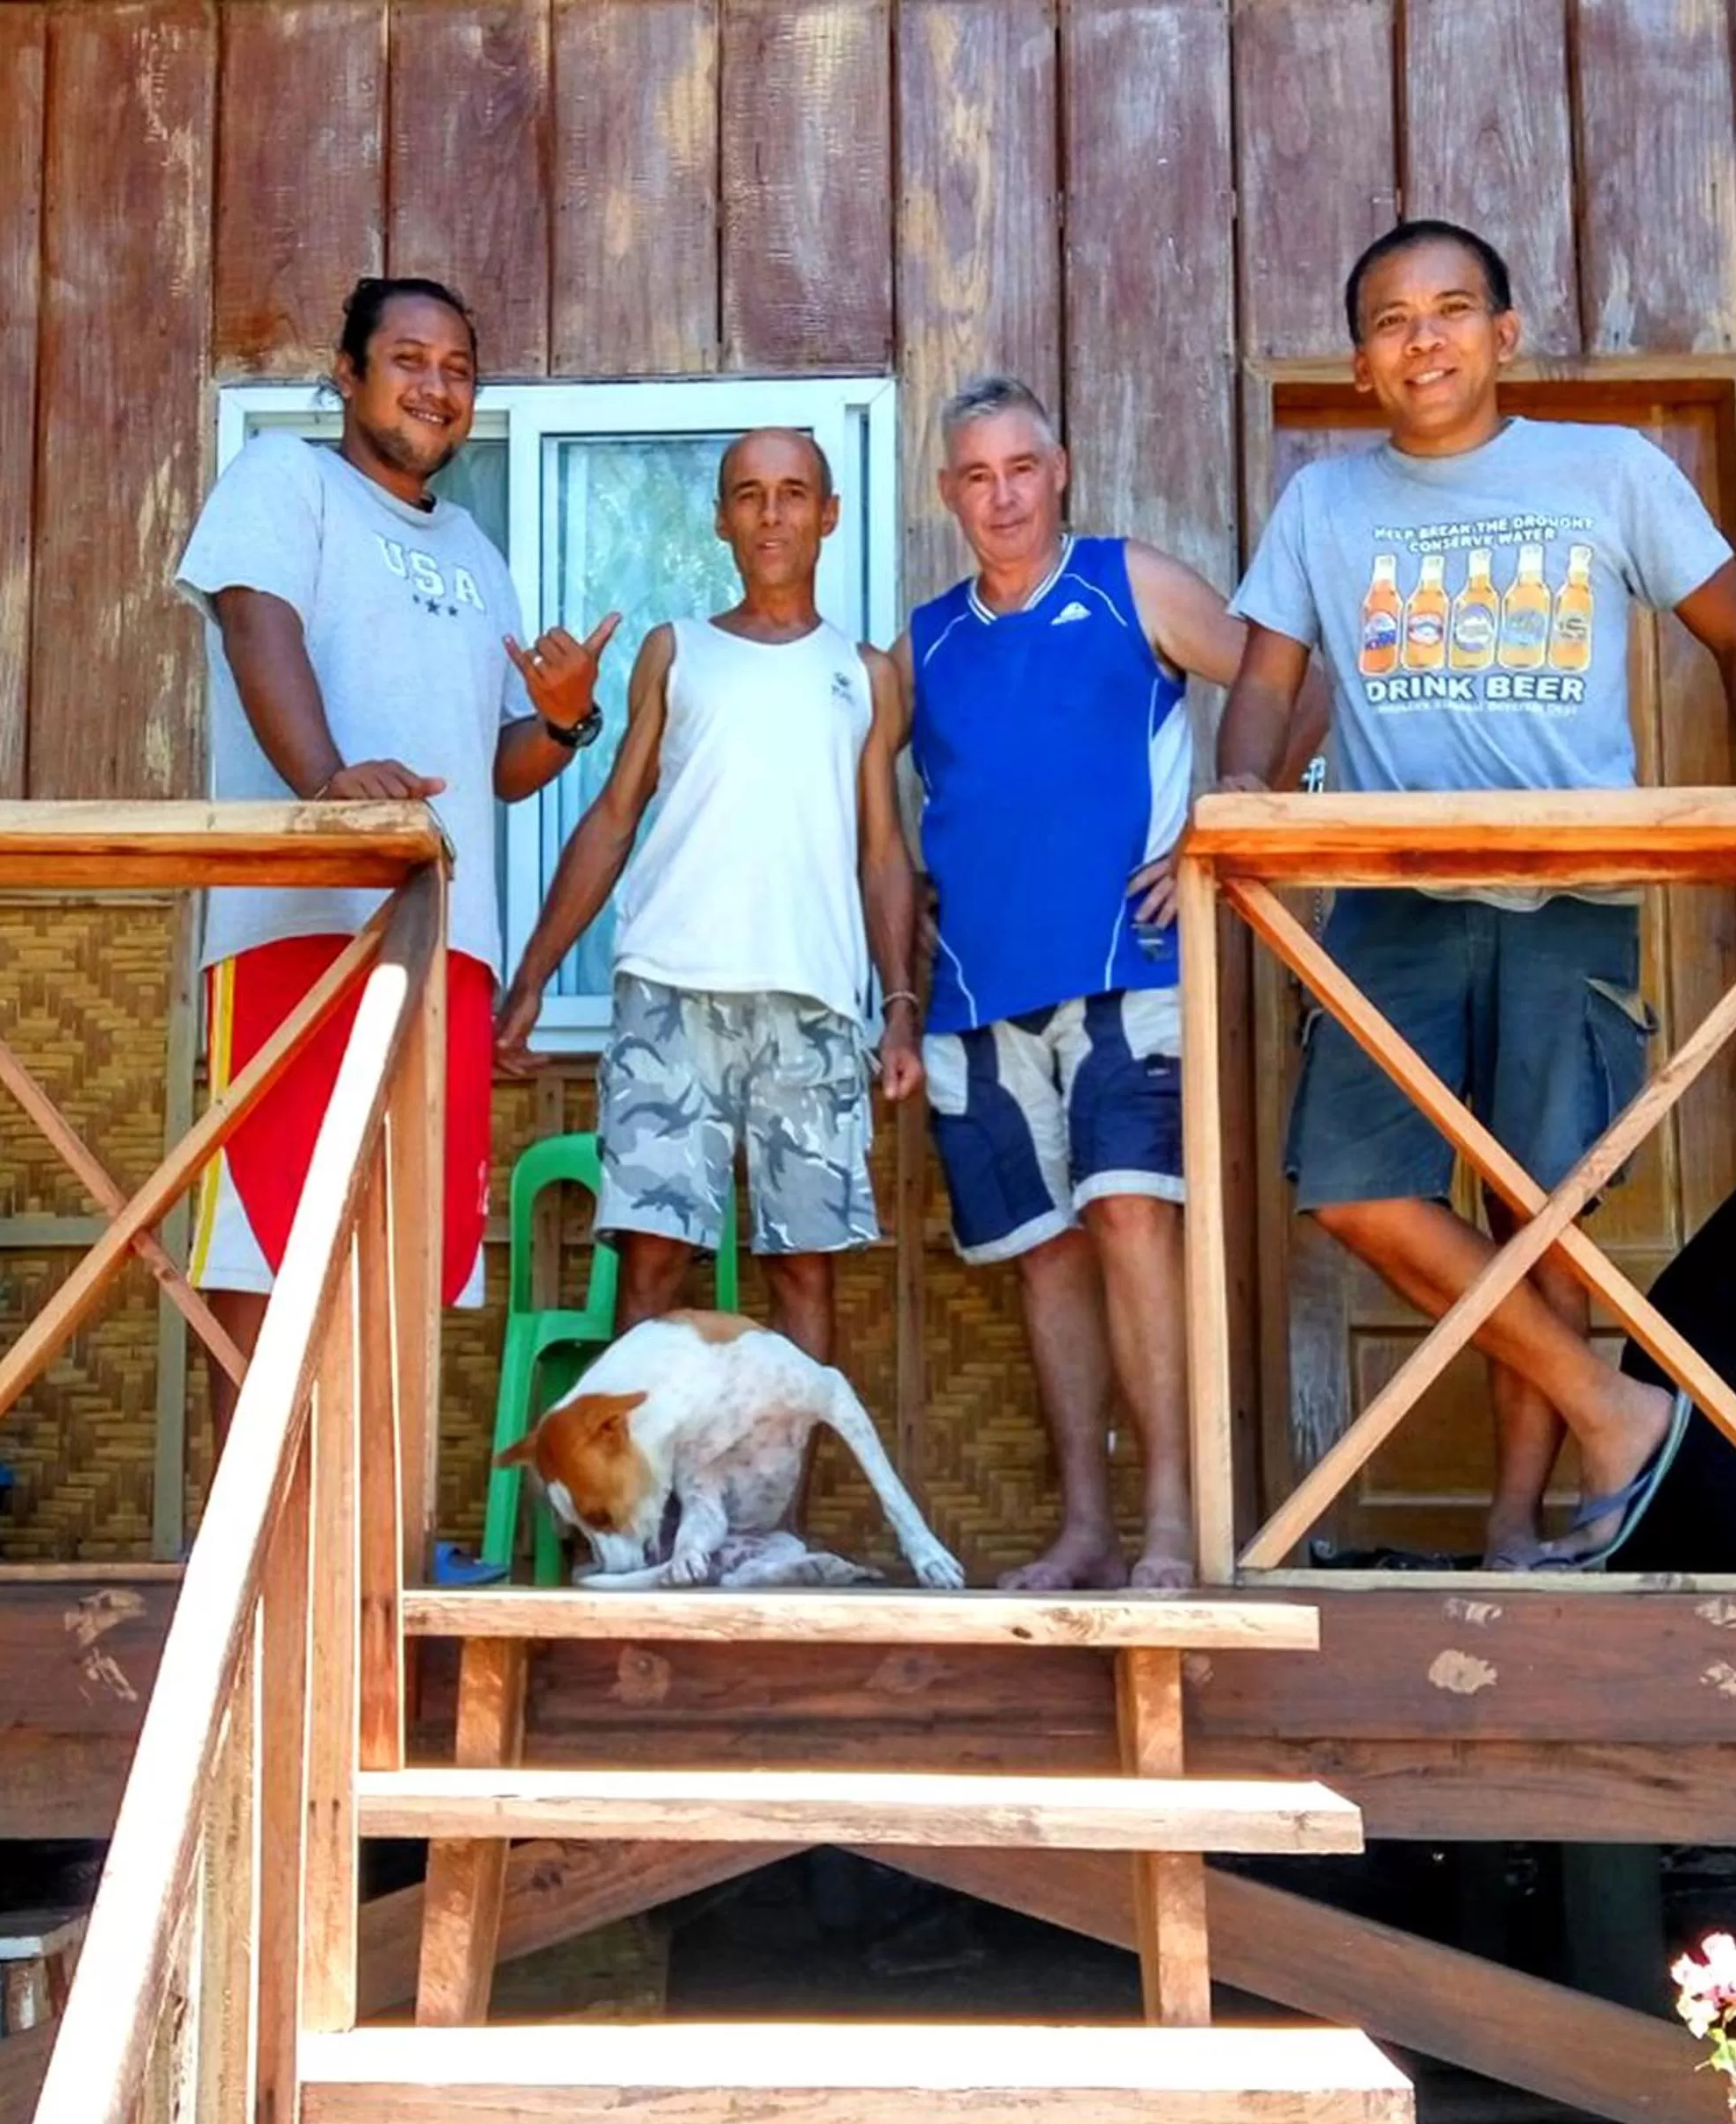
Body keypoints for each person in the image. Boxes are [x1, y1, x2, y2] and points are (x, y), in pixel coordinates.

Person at [1218, 218, 1736, 1567]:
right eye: (1388, 320)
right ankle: (1617, 1414)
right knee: (1359, 1187)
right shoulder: (1324, 504)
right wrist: (1239, 811)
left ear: (1504, 331)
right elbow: (1261, 684)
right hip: (1391, 902)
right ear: (1362, 362)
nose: (1421, 339)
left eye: (1449, 310)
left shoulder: (1608, 472)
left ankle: (1515, 1532)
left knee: (1539, 1209)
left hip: (1574, 899)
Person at [899, 375, 1323, 1592]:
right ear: (947, 495)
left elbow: (1288, 679)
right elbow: (880, 805)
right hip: (975, 995)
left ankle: (1175, 1528)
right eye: (976, 477)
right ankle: (1087, 1527)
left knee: (1134, 1214)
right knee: (1045, 1251)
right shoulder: (923, 641)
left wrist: (1220, 826)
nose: (1002, 496)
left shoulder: (1126, 580)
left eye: (1021, 467)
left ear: (1062, 466)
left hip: (1124, 973)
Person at [175, 275, 616, 1444]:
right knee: (266, 1232)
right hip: (298, 928)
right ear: (349, 373)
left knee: (415, 1249)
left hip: (448, 950)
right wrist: (328, 788)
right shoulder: (286, 478)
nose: (436, 385)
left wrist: (568, 720)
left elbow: (495, 763)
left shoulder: (476, 551)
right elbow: (251, 620)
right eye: (410, 358)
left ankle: (374, 1556)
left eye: (458, 369)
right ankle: (251, 1555)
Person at [496, 427, 922, 1373]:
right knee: (651, 1263)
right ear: (722, 519)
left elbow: (882, 852)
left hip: (812, 1002)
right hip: (668, 992)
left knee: (804, 1272)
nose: (772, 514)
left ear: (829, 515)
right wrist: (533, 976)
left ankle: (777, 1523)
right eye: (749, 495)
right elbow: (612, 819)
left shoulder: (866, 675)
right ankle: (635, 1524)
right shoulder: (676, 651)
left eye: (793, 493)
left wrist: (896, 1008)